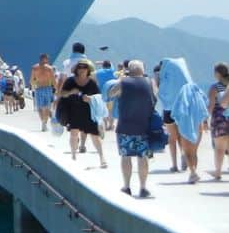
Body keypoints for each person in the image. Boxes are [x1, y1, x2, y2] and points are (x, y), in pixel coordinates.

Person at [155, 57, 209, 183]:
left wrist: (155, 80)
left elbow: (159, 95)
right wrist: (205, 121)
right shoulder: (191, 86)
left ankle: (190, 170)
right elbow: (203, 104)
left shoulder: (165, 82)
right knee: (192, 148)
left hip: (172, 113)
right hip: (192, 117)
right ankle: (192, 170)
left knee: (178, 141)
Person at [110, 60, 157, 197]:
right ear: (142, 70)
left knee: (126, 157)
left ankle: (126, 186)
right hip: (143, 126)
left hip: (125, 126)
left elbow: (111, 94)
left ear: (129, 70)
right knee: (143, 158)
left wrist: (121, 78)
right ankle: (143, 187)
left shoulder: (123, 82)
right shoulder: (150, 82)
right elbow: (155, 98)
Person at [59, 60, 107, 167]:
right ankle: (73, 155)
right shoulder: (70, 81)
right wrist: (71, 92)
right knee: (73, 133)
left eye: (84, 68)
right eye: (79, 68)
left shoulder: (92, 83)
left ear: (88, 70)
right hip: (73, 111)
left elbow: (99, 97)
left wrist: (90, 98)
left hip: (88, 112)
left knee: (95, 135)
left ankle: (102, 158)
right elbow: (62, 93)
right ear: (76, 70)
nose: (82, 70)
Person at [210, 62, 229, 182]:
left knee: (219, 147)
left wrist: (205, 120)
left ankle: (218, 172)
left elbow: (211, 106)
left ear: (217, 74)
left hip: (219, 118)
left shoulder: (215, 87)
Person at [31, 53, 57, 132]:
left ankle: (43, 122)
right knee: (47, 107)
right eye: (47, 59)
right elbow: (53, 80)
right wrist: (56, 90)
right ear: (45, 59)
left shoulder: (34, 68)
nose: (48, 60)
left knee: (40, 107)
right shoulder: (49, 68)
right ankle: (44, 123)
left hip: (38, 88)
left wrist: (34, 85)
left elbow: (32, 80)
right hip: (47, 89)